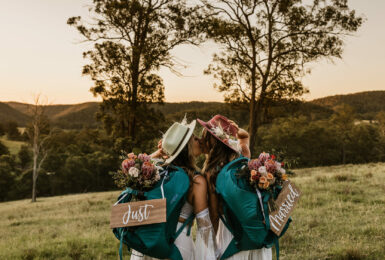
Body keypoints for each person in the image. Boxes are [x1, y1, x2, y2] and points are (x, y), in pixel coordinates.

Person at [131, 118, 217, 260]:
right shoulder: (196, 181)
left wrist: (159, 153)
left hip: (151, 238)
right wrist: (213, 252)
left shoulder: (156, 173)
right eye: (195, 139)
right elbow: (204, 225)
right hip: (178, 241)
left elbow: (134, 168)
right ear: (187, 147)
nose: (200, 141)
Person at [198, 115, 272, 260]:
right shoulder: (243, 155)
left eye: (204, 136)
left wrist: (211, 248)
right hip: (251, 227)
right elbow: (245, 138)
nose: (201, 140)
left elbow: (214, 215)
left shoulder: (211, 171)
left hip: (230, 232)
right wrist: (238, 132)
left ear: (212, 140)